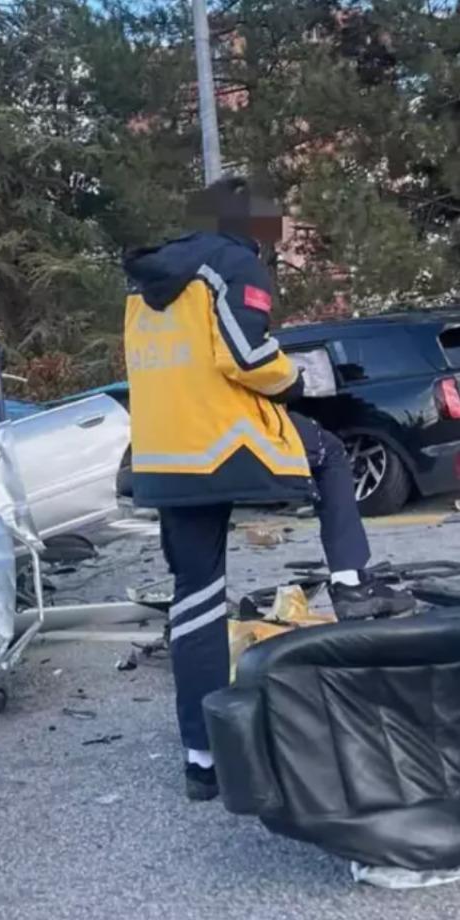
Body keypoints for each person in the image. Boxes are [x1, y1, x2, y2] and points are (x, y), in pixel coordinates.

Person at [122, 176, 415, 803]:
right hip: (231, 444)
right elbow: (245, 356)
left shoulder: (148, 281)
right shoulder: (232, 262)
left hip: (167, 456)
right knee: (330, 455)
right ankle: (352, 586)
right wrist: (300, 379)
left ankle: (202, 759)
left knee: (196, 602)